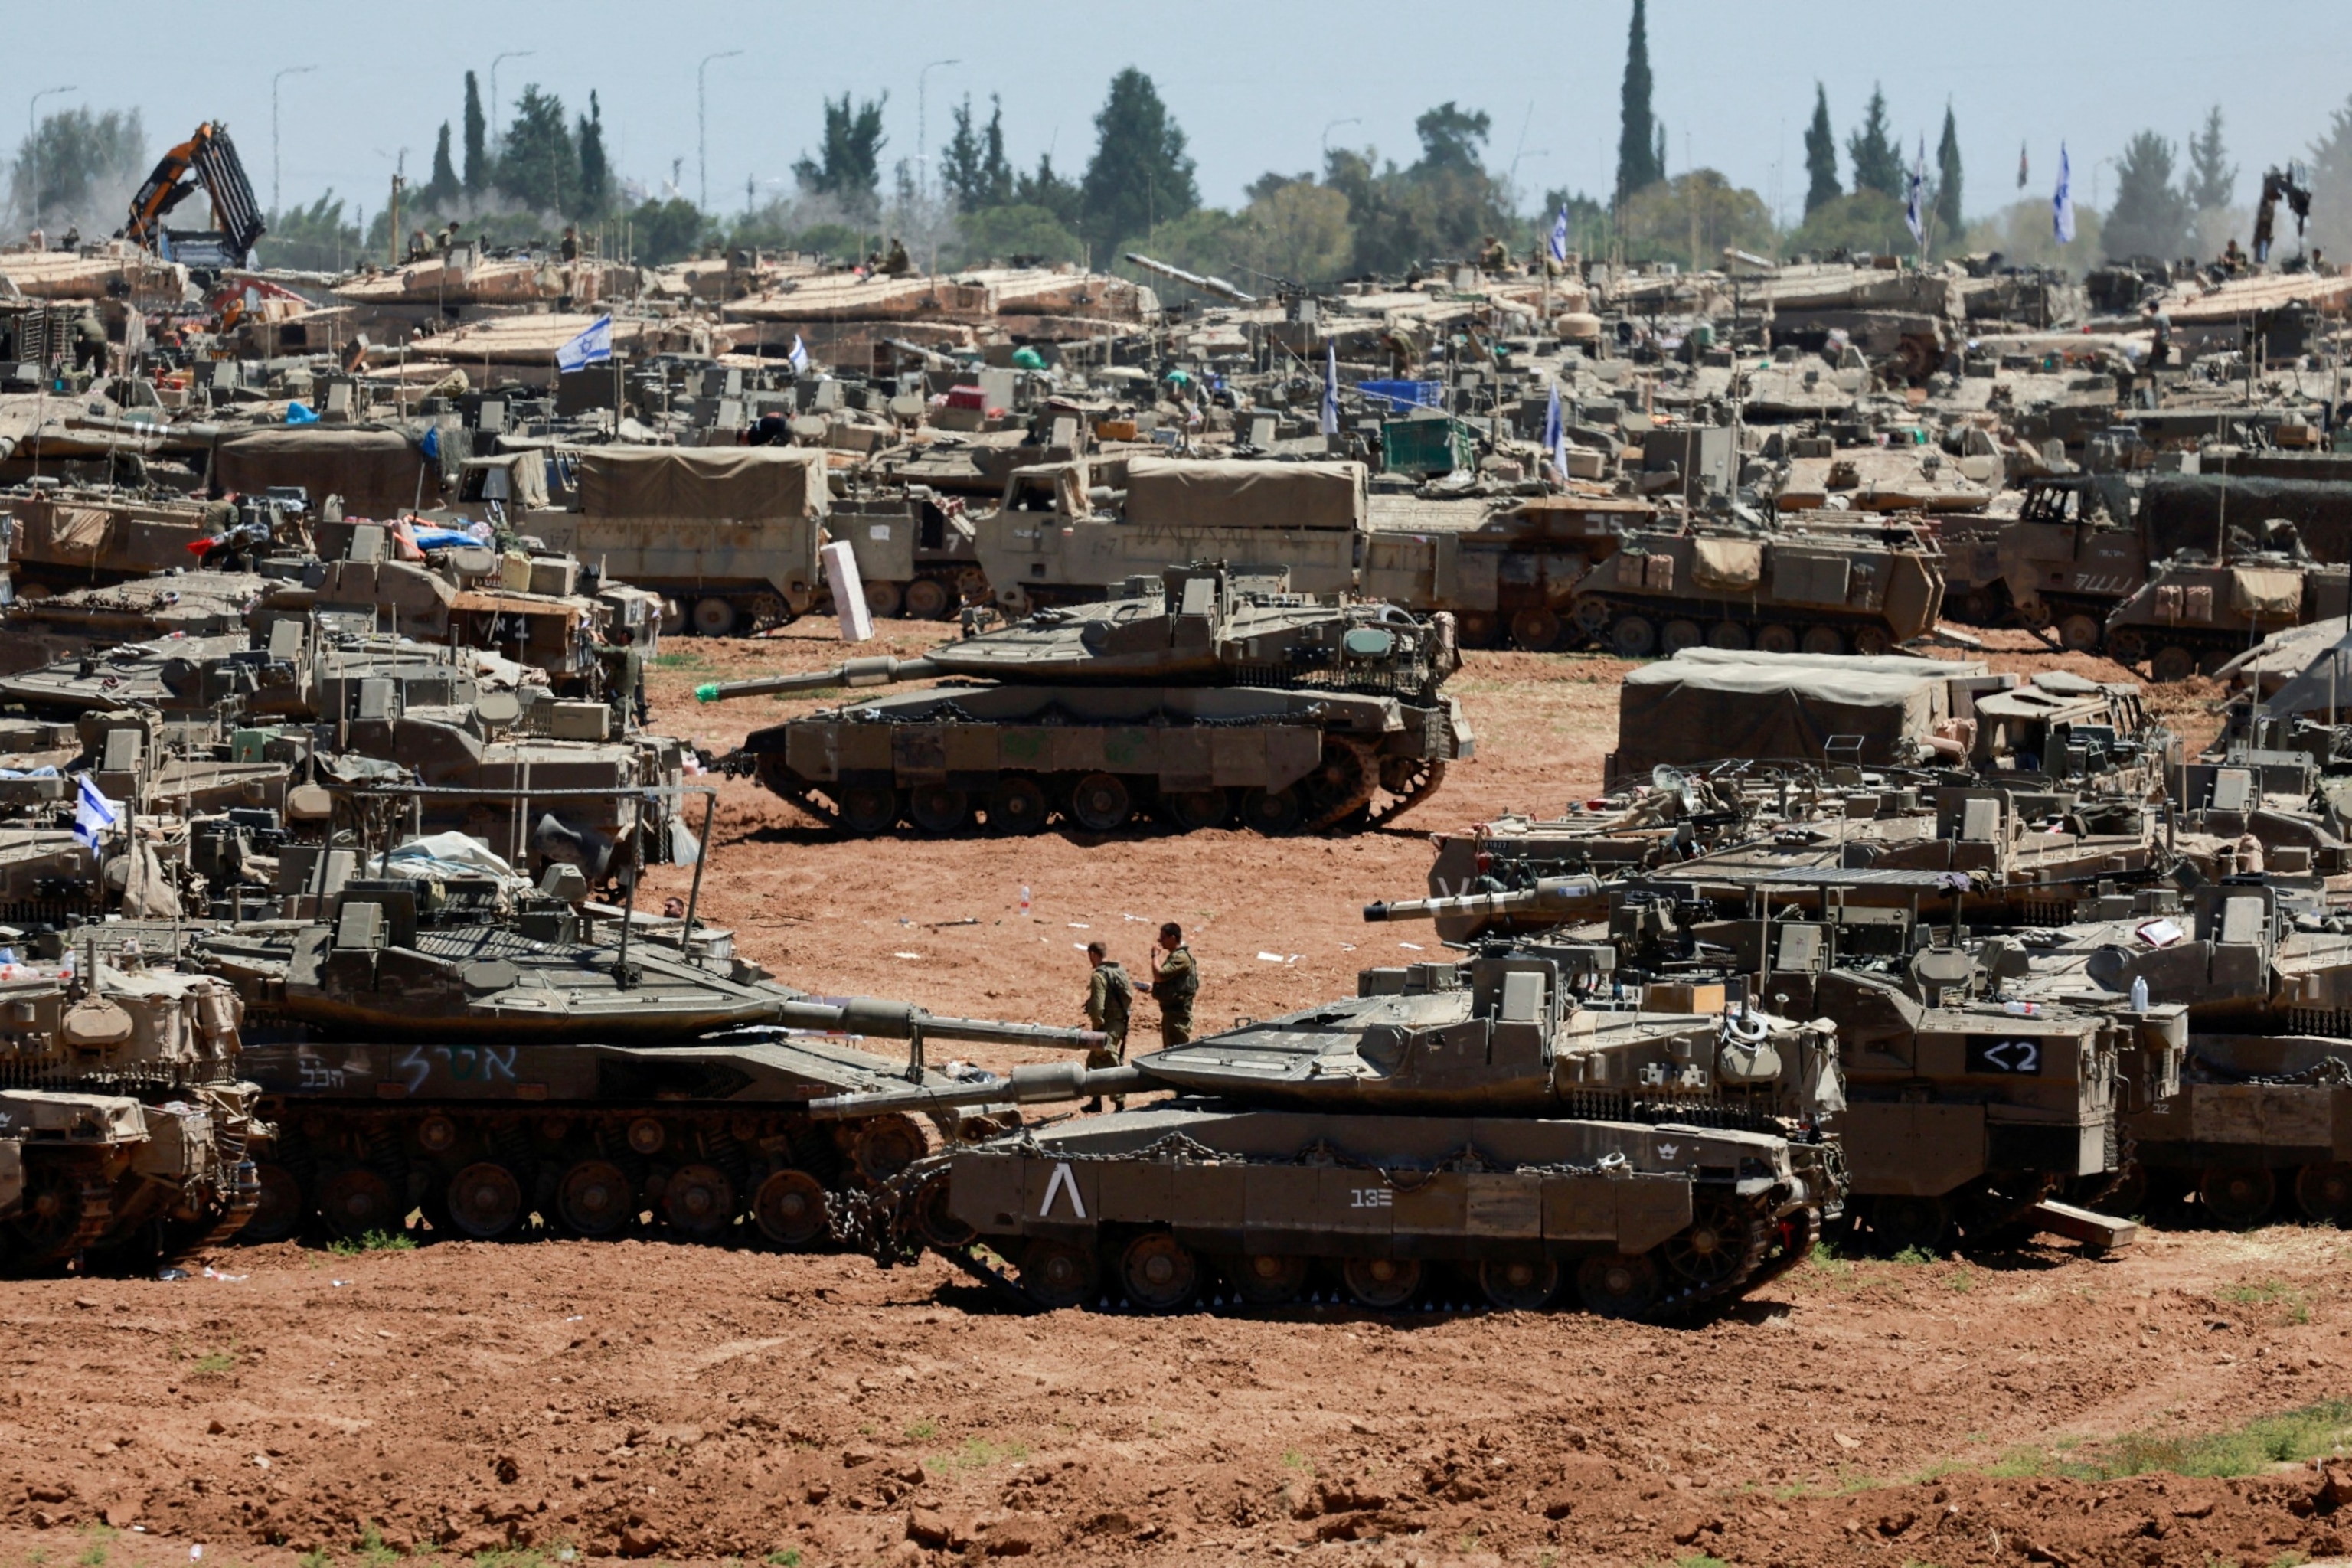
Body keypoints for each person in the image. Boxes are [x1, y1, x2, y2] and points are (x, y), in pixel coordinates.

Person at [1080, 941, 1133, 1112]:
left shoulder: (1099, 976)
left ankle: (1120, 1103)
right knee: (1093, 1061)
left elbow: (1098, 1008)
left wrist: (1097, 1027)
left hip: (1106, 1026)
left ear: (1094, 955)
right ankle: (1096, 1101)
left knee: (1109, 1059)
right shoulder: (1119, 970)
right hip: (1119, 1023)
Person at [1148, 922, 1197, 1047]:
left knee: (1177, 1052)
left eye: (1163, 937)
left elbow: (1160, 975)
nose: (1160, 940)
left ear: (1173, 938)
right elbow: (1170, 982)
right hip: (1171, 1013)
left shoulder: (1181, 958)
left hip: (1178, 1015)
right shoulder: (1175, 957)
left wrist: (1155, 956)